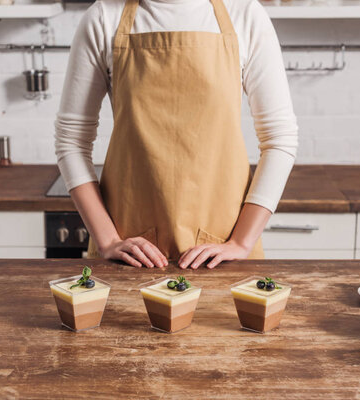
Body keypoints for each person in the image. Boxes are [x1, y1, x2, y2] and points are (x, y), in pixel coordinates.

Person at [55, 0, 298, 269]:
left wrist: (241, 242)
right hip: (131, 254)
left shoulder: (244, 14)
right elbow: (71, 142)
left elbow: (279, 138)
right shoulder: (103, 18)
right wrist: (108, 239)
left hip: (221, 250)